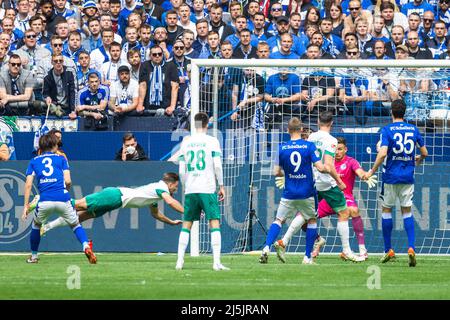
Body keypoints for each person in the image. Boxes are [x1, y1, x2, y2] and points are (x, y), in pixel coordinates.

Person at [363, 99, 428, 267]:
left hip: (390, 176)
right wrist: (418, 160)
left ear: (391, 112)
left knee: (386, 210)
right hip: (407, 177)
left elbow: (383, 153)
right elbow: (425, 152)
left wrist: (371, 170)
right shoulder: (413, 129)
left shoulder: (387, 130)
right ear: (404, 112)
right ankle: (411, 248)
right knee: (406, 211)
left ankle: (388, 250)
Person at [259, 117, 330, 265]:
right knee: (311, 220)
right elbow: (320, 167)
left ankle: (266, 248)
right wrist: (328, 168)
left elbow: (276, 172)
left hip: (289, 192)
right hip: (307, 192)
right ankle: (306, 257)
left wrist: (289, 174)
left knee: (278, 220)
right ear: (302, 130)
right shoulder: (309, 146)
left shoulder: (281, 148)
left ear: (287, 131)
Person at [21, 133, 96, 264]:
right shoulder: (61, 159)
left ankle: (33, 256)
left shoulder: (34, 161)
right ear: (53, 145)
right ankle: (85, 246)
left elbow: (28, 185)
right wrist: (64, 192)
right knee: (75, 224)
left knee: (36, 225)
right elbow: (68, 181)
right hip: (63, 199)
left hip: (45, 201)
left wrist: (26, 206)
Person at [37, 172, 183, 236]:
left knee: (77, 218)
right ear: (170, 184)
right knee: (76, 204)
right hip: (114, 196)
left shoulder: (155, 194)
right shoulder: (162, 188)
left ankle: (47, 227)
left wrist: (170, 222)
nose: (175, 189)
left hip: (115, 203)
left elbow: (155, 213)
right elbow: (170, 202)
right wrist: (187, 211)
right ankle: (42, 199)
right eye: (176, 186)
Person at [175, 112, 229, 271]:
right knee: (214, 222)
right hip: (207, 187)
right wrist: (222, 185)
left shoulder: (186, 141)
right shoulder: (212, 141)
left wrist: (186, 185)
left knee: (187, 224)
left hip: (191, 188)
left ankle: (179, 261)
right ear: (207, 125)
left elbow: (181, 169)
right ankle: (216, 262)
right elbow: (217, 165)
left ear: (194, 124)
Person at [308, 111, 365, 261]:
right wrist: (339, 181)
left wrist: (365, 175)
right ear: (331, 123)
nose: (337, 152)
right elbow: (328, 167)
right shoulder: (329, 146)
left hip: (334, 191)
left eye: (340, 149)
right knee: (306, 217)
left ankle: (362, 249)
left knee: (351, 210)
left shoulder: (350, 161)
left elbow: (360, 172)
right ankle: (317, 242)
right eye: (336, 149)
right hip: (328, 190)